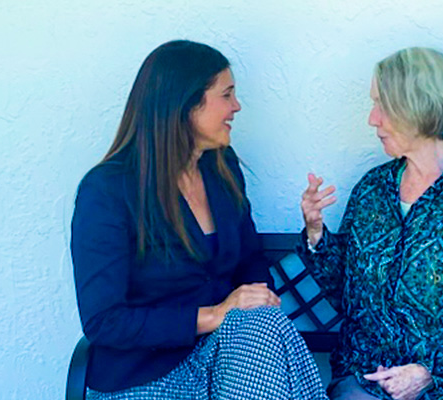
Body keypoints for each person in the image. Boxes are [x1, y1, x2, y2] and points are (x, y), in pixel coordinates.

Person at [71, 40, 325, 400]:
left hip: (228, 364)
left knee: (262, 322)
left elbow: (250, 260)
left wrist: (252, 299)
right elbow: (104, 321)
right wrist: (216, 314)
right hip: (143, 376)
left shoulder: (221, 168)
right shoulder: (108, 191)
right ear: (186, 104)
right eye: (227, 94)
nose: (236, 107)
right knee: (256, 325)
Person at [298, 47, 443, 400]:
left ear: (417, 105)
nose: (372, 119)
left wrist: (430, 372)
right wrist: (316, 232)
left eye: (381, 105)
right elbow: (347, 299)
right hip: (369, 382)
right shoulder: (372, 190)